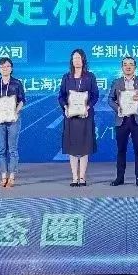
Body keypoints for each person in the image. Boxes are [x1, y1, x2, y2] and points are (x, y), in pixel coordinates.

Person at [108, 55, 138, 187]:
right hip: (121, 120)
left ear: (135, 67)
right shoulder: (116, 82)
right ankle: (119, 178)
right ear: (122, 67)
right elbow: (110, 99)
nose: (128, 67)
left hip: (137, 120)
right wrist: (117, 108)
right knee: (121, 150)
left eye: (131, 64)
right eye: (125, 64)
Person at [57, 48, 99, 186]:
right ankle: (74, 177)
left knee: (85, 146)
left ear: (83, 60)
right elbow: (61, 96)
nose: (76, 60)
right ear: (71, 61)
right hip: (71, 117)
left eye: (78, 58)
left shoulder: (90, 76)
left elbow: (95, 95)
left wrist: (88, 107)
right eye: (74, 58)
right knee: (72, 147)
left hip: (85, 116)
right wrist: (65, 107)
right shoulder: (66, 77)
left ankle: (82, 177)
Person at [0, 56, 26, 188]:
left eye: (7, 66)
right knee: (1, 149)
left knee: (13, 149)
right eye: (2, 66)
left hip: (13, 119)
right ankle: (3, 176)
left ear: (11, 68)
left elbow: (22, 100)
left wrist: (15, 112)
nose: (5, 68)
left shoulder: (17, 83)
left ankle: (12, 177)